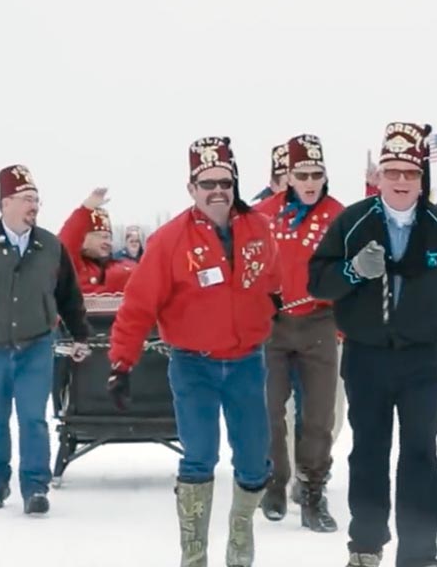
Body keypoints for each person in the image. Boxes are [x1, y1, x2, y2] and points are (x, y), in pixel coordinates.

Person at [308, 122, 437, 567]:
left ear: (422, 179)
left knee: (421, 453)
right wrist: (352, 271)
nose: (401, 182)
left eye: (409, 173)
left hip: (422, 358)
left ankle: (420, 554)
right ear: (379, 177)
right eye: (392, 172)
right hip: (366, 356)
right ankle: (366, 548)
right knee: (368, 451)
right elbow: (317, 281)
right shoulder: (352, 222)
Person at [106, 137, 282, 567]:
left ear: (235, 183)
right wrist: (121, 362)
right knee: (200, 454)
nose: (217, 191)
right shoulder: (169, 241)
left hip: (246, 363)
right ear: (191, 188)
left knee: (255, 459)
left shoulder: (259, 229)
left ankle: (241, 531)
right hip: (193, 366)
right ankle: (194, 554)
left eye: (225, 181)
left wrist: (277, 310)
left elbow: (274, 284)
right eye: (207, 183)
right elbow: (138, 304)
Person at [0, 164, 90, 515]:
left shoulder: (50, 246)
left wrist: (80, 335)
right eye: (27, 199)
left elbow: (69, 295)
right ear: (5, 203)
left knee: (33, 418)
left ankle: (36, 488)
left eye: (37, 200)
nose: (34, 206)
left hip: (36, 345)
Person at [253, 134, 345, 531]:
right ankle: (275, 479)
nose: (310, 182)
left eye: (316, 174)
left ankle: (312, 491)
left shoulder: (340, 216)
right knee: (270, 409)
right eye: (301, 174)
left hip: (319, 322)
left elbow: (353, 270)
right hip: (272, 326)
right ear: (287, 176)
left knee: (319, 413)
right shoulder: (260, 215)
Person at [58, 187, 137, 293]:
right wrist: (85, 209)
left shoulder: (126, 266)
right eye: (102, 237)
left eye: (109, 238)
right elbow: (66, 244)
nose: (108, 242)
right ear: (83, 240)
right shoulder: (74, 267)